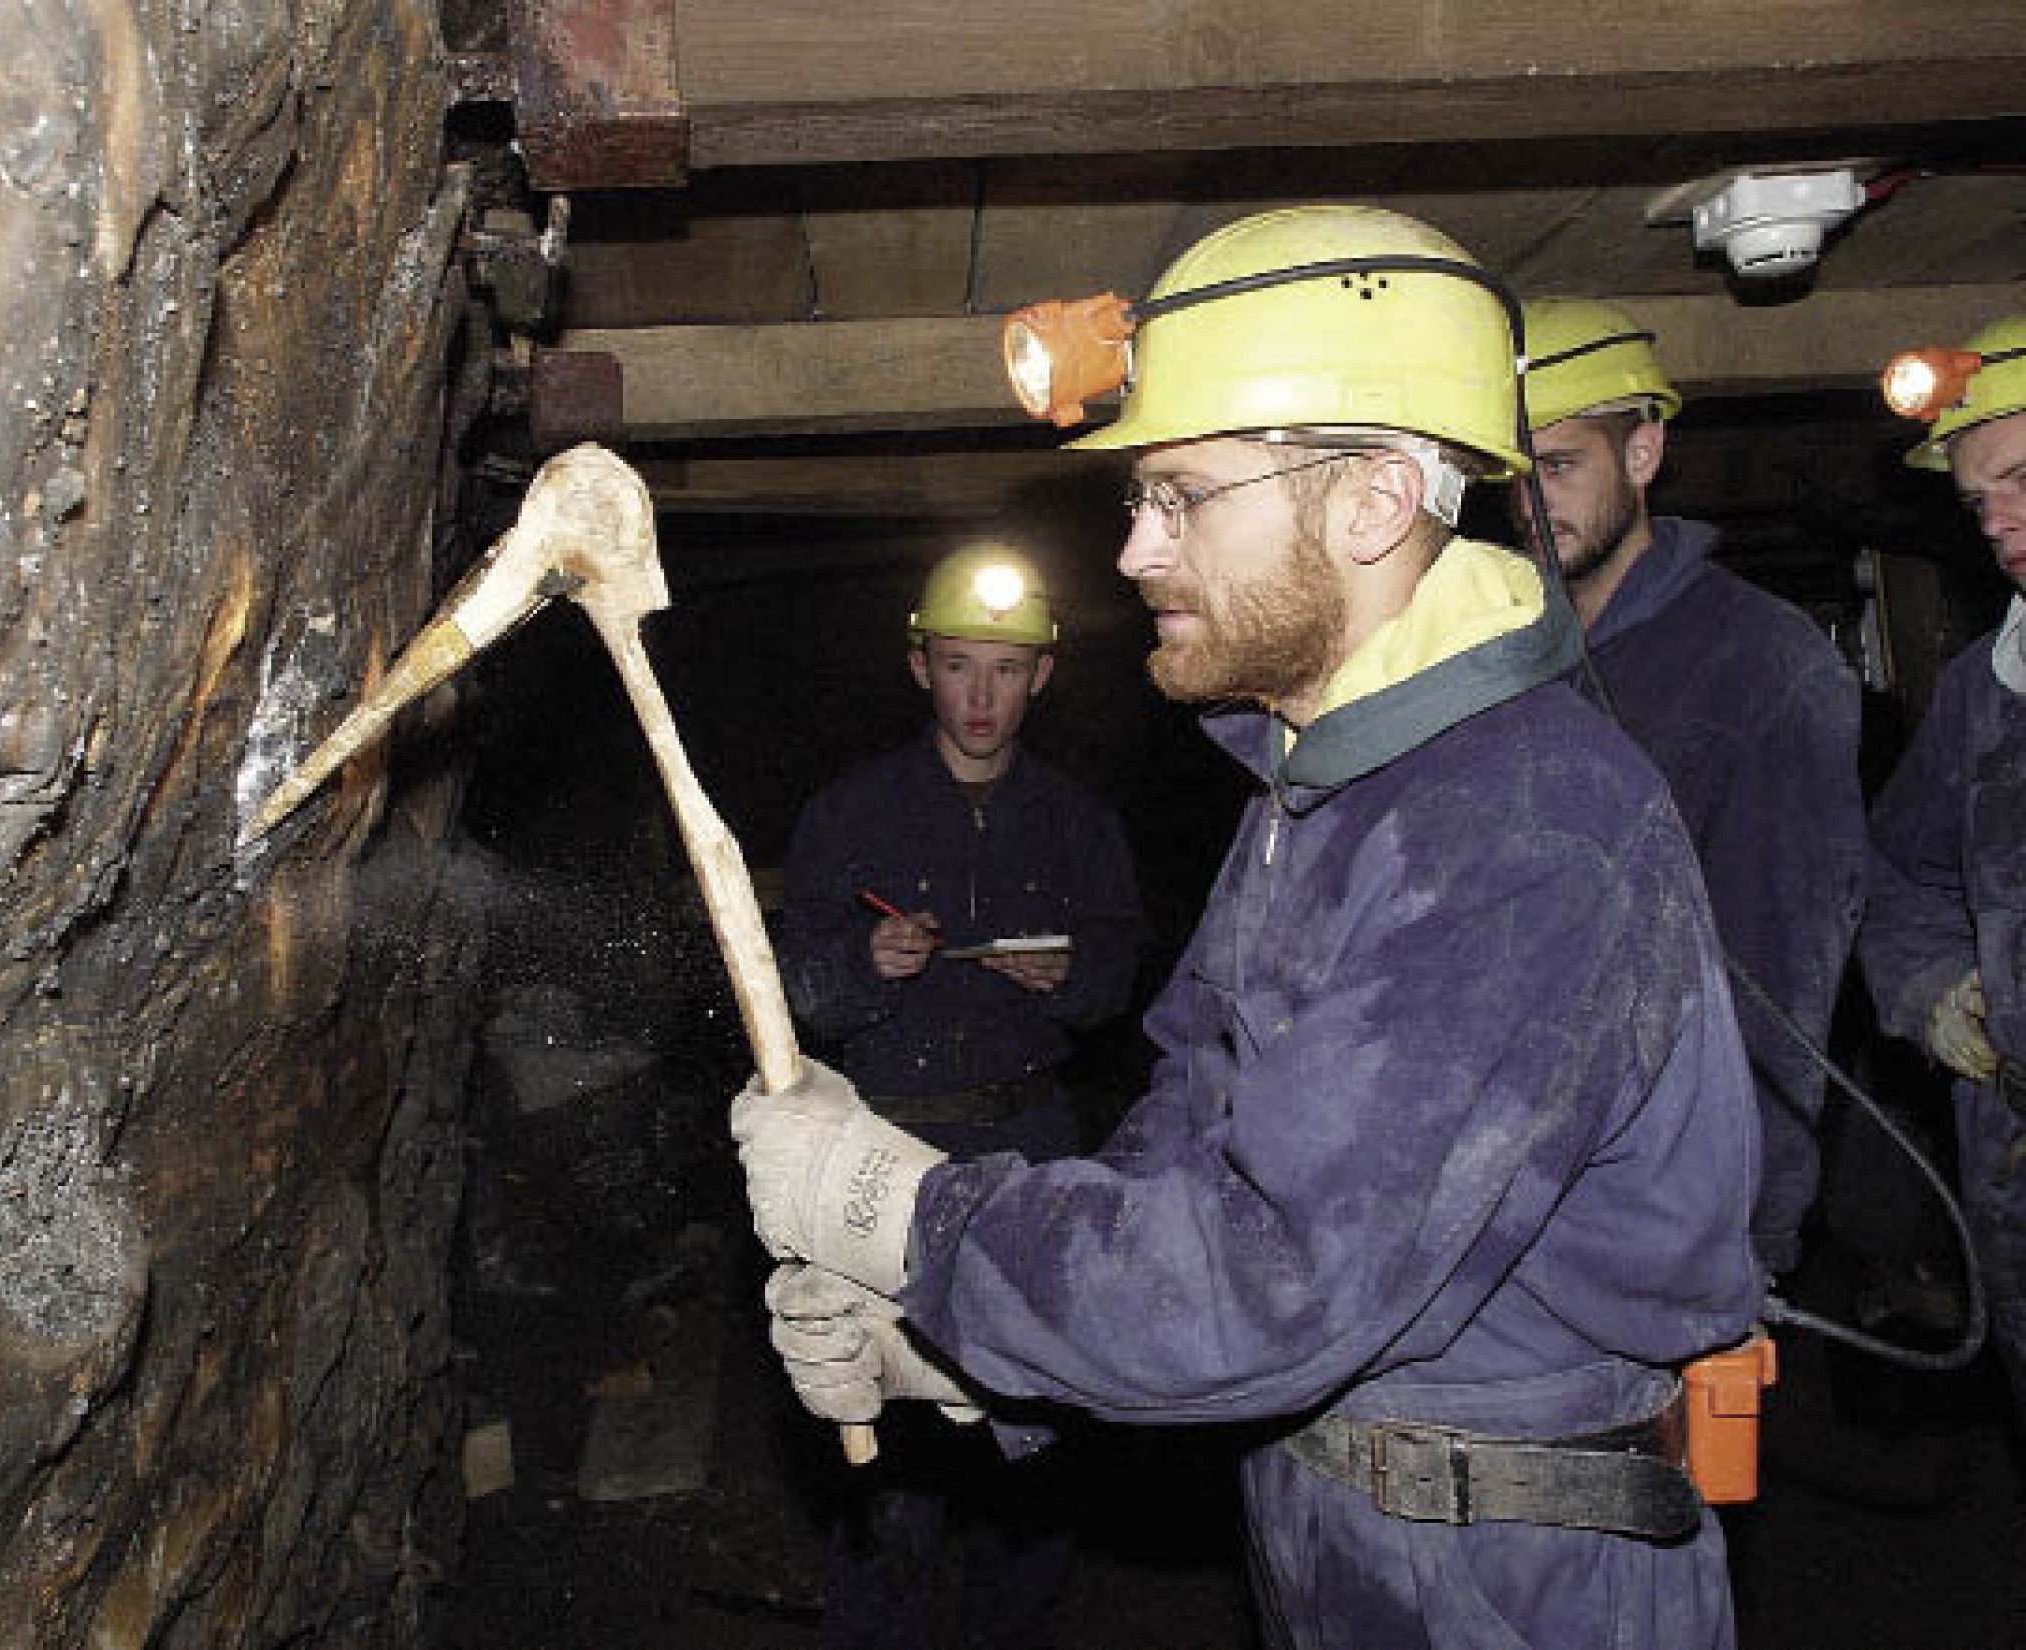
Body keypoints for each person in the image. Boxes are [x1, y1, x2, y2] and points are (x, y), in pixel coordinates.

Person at [736, 206, 1763, 1650]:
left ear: (1371, 502)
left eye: (1183, 494)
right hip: (1338, 1521)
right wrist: (959, 1348)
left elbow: (1278, 1271)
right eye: (1138, 497)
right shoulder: (1320, 790)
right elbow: (1193, 1123)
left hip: (1513, 1575)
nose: (1134, 549)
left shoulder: (1516, 827)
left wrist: (906, 1216)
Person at [772, 542, 1146, 1650]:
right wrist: (864, 964)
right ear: (919, 668)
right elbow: (794, 994)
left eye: (1006, 670)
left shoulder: (1077, 822)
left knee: (1034, 1430)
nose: (981, 697)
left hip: (1030, 1152)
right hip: (884, 1160)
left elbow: (1120, 974)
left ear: (1042, 678)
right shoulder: (850, 814)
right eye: (957, 666)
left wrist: (1072, 972)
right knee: (888, 1451)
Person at [1510, 298, 1866, 1280]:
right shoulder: (1498, 661)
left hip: (1670, 1193)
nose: (1530, 502)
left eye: (1558, 465)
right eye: (1511, 474)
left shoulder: (1760, 662)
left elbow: (1785, 971)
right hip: (1517, 1173)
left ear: (1642, 454)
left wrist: (1750, 1234)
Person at [1856, 315, 2026, 1424]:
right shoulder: (1982, 695)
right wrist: (1932, 989)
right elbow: (1897, 876)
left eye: (2021, 480)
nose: (1997, 523)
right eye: (1977, 503)